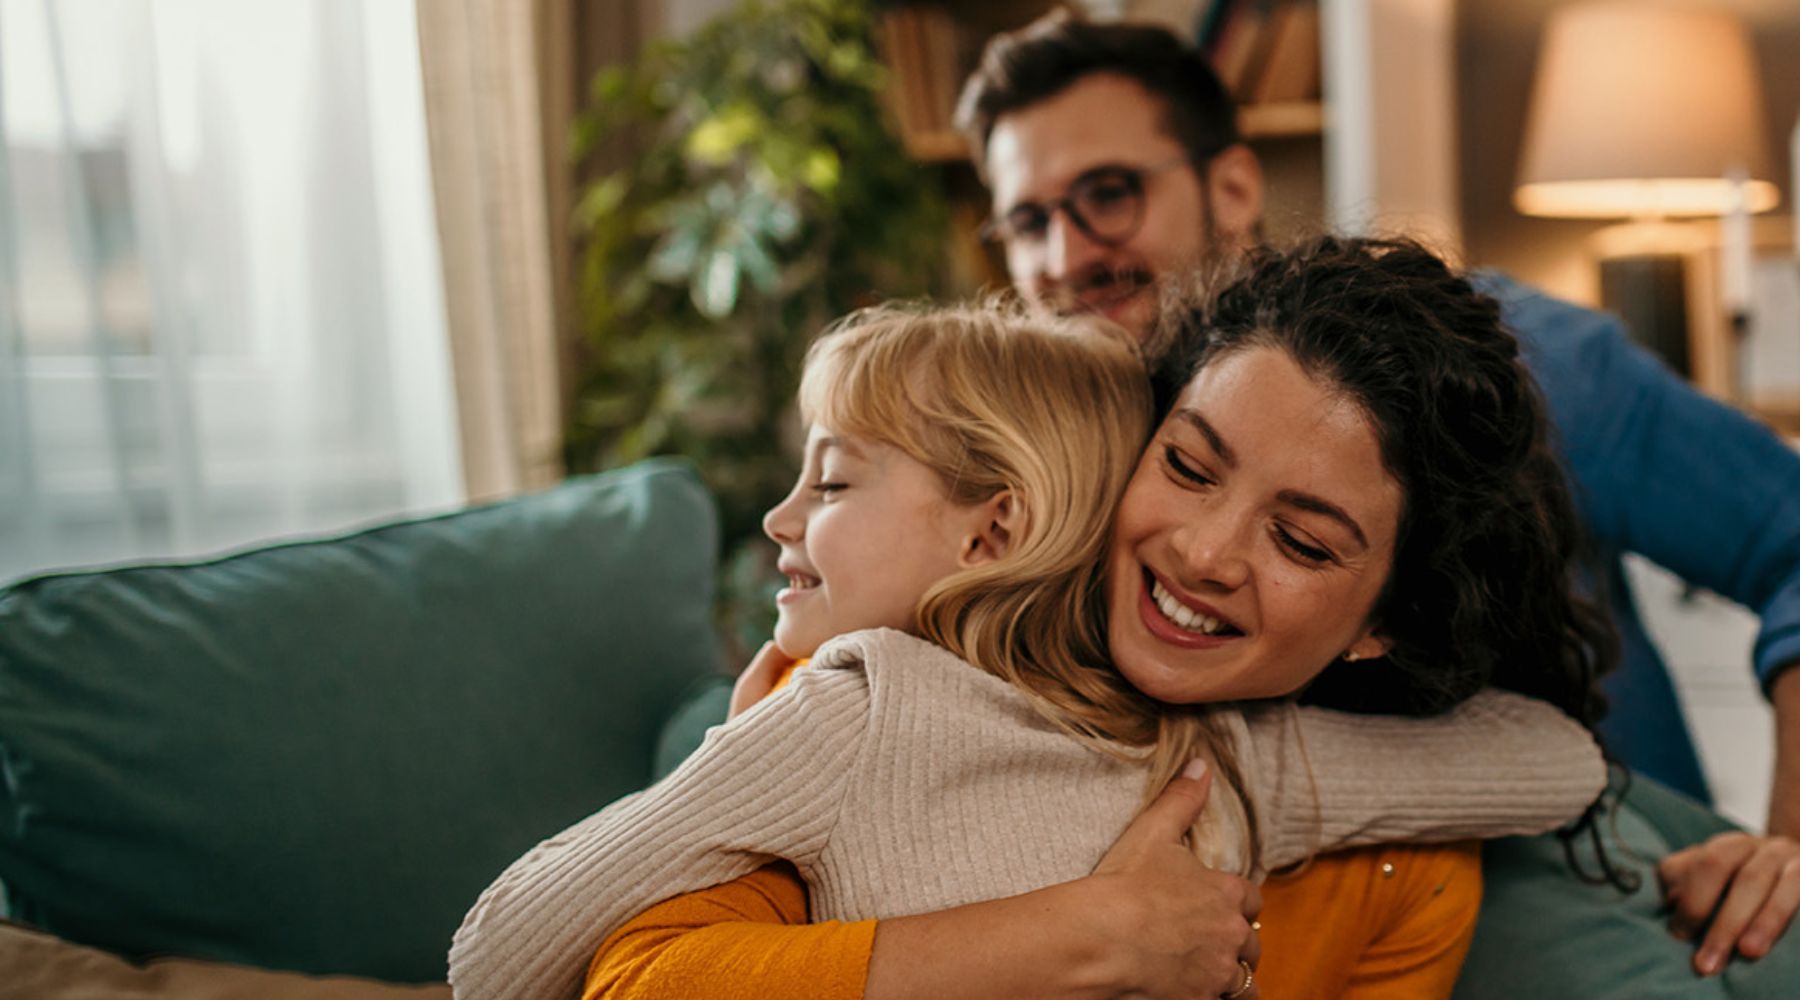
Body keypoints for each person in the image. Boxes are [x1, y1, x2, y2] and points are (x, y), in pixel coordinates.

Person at [448, 239, 1623, 1000]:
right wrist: (1089, 932)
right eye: (1190, 465)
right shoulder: (855, 711)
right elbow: (513, 964)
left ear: (1384, 626)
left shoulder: (1253, 762)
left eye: (1303, 540)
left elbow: (1556, 760)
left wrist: (1704, 847)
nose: (1206, 553)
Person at [961, 10, 1800, 839]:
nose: (1066, 259)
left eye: (1109, 194)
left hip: (1619, 898)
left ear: (1233, 188)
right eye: (1028, 223)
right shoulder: (1038, 461)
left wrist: (1788, 862)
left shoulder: (1524, 362)